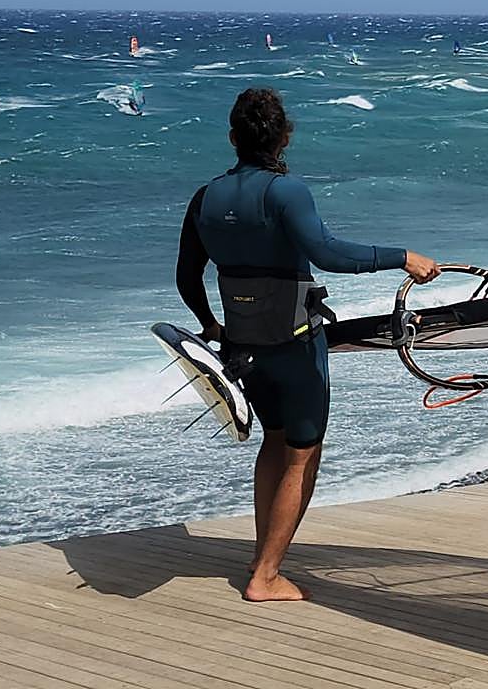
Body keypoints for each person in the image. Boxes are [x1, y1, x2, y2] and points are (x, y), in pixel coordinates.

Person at [175, 88, 439, 602]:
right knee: (303, 453)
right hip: (296, 344)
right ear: (284, 137)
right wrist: (403, 256)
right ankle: (266, 576)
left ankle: (261, 557)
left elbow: (187, 273)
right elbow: (327, 253)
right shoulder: (286, 192)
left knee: (274, 442)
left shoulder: (205, 197)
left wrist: (210, 323)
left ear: (233, 138)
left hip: (244, 346)